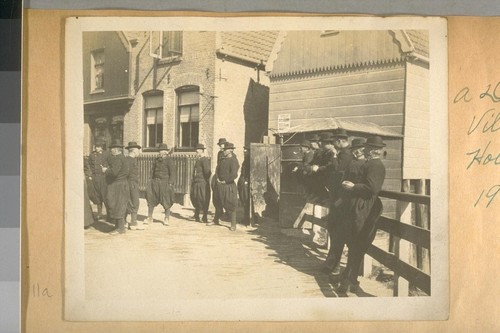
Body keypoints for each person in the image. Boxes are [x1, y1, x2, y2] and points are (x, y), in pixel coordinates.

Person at [336, 136, 386, 293]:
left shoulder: (376, 165)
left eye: (368, 148)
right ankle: (349, 279)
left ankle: (348, 280)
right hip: (359, 207)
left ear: (373, 150)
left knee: (357, 243)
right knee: (355, 243)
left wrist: (353, 186)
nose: (365, 150)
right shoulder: (370, 164)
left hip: (366, 208)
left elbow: (372, 188)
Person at [210, 142, 239, 231]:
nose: (224, 151)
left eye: (225, 150)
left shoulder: (234, 160)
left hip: (229, 186)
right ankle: (216, 220)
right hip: (220, 185)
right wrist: (218, 179)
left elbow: (234, 174)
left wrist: (226, 181)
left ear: (230, 151)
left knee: (230, 204)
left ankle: (233, 224)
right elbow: (217, 170)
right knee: (218, 202)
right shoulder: (222, 159)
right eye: (224, 150)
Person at [103, 140, 130, 235]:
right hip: (120, 184)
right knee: (117, 204)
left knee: (118, 204)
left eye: (112, 149)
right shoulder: (122, 158)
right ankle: (118, 226)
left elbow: (114, 172)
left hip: (118, 185)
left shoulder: (118, 159)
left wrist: (105, 170)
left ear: (116, 150)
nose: (110, 150)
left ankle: (121, 228)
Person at [145, 143, 176, 226]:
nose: (162, 152)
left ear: (166, 152)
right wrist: (150, 181)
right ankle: (149, 217)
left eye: (163, 151)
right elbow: (152, 171)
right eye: (160, 151)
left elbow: (172, 173)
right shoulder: (156, 160)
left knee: (166, 200)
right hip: (155, 182)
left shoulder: (169, 160)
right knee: (151, 199)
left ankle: (166, 218)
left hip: (165, 183)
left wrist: (170, 184)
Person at [87, 140, 109, 220]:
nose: (96, 148)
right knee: (97, 195)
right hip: (95, 177)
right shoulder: (92, 155)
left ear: (101, 147)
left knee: (104, 195)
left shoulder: (106, 154)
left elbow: (109, 164)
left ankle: (108, 214)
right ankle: (99, 213)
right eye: (96, 146)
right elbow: (89, 165)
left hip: (103, 177)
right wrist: (90, 174)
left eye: (98, 147)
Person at [125, 141, 144, 230]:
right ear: (133, 151)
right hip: (131, 184)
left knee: (127, 201)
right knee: (134, 202)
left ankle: (124, 222)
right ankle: (133, 223)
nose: (139, 152)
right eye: (138, 150)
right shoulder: (130, 161)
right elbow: (127, 173)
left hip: (129, 183)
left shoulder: (128, 160)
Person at [190, 143, 211, 223]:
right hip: (196, 182)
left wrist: (204, 180)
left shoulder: (204, 159)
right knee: (196, 198)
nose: (196, 152)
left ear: (201, 151)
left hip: (202, 183)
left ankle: (204, 217)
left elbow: (207, 172)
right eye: (196, 151)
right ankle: (197, 215)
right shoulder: (198, 160)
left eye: (197, 151)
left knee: (204, 199)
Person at [237, 146, 256, 228]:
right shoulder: (246, 160)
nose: (244, 152)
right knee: (244, 200)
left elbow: (249, 171)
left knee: (246, 200)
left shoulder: (249, 160)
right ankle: (246, 218)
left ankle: (248, 219)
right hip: (243, 181)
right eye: (244, 151)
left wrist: (246, 181)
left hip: (246, 182)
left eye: (246, 151)